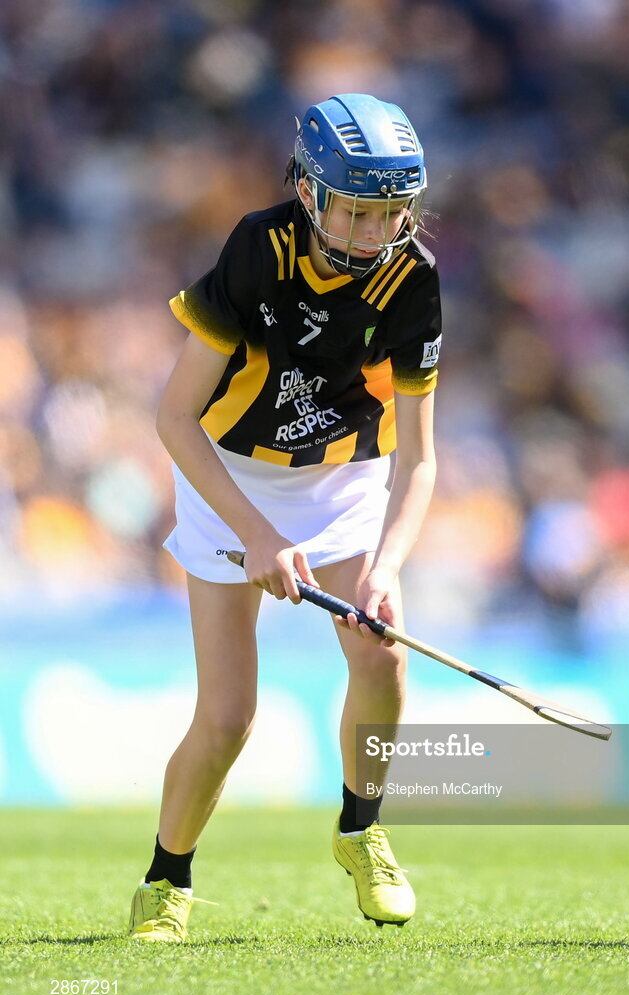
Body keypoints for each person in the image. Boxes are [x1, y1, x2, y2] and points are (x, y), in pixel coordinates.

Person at [128, 93, 441, 942]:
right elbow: (174, 420)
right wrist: (255, 536)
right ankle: (166, 880)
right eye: (356, 210)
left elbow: (418, 458)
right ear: (308, 192)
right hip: (227, 477)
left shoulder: (412, 278)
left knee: (381, 657)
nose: (375, 232)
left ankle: (361, 831)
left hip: (343, 482)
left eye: (391, 212)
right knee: (229, 716)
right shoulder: (256, 251)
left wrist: (385, 568)